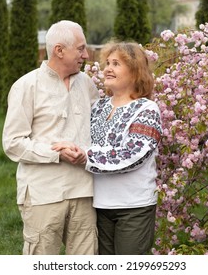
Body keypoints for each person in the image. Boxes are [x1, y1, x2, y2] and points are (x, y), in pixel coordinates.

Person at [53, 41, 162, 255]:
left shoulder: (147, 109)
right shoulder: (99, 107)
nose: (108, 69)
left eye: (117, 64)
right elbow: (82, 138)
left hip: (134, 207)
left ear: (135, 71)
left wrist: (86, 156)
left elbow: (133, 153)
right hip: (101, 204)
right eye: (108, 63)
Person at [2, 20, 99, 255]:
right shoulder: (26, 86)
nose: (86, 55)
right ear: (59, 50)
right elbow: (13, 143)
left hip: (84, 190)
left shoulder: (87, 84)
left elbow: (99, 130)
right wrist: (57, 154)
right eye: (80, 48)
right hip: (43, 193)